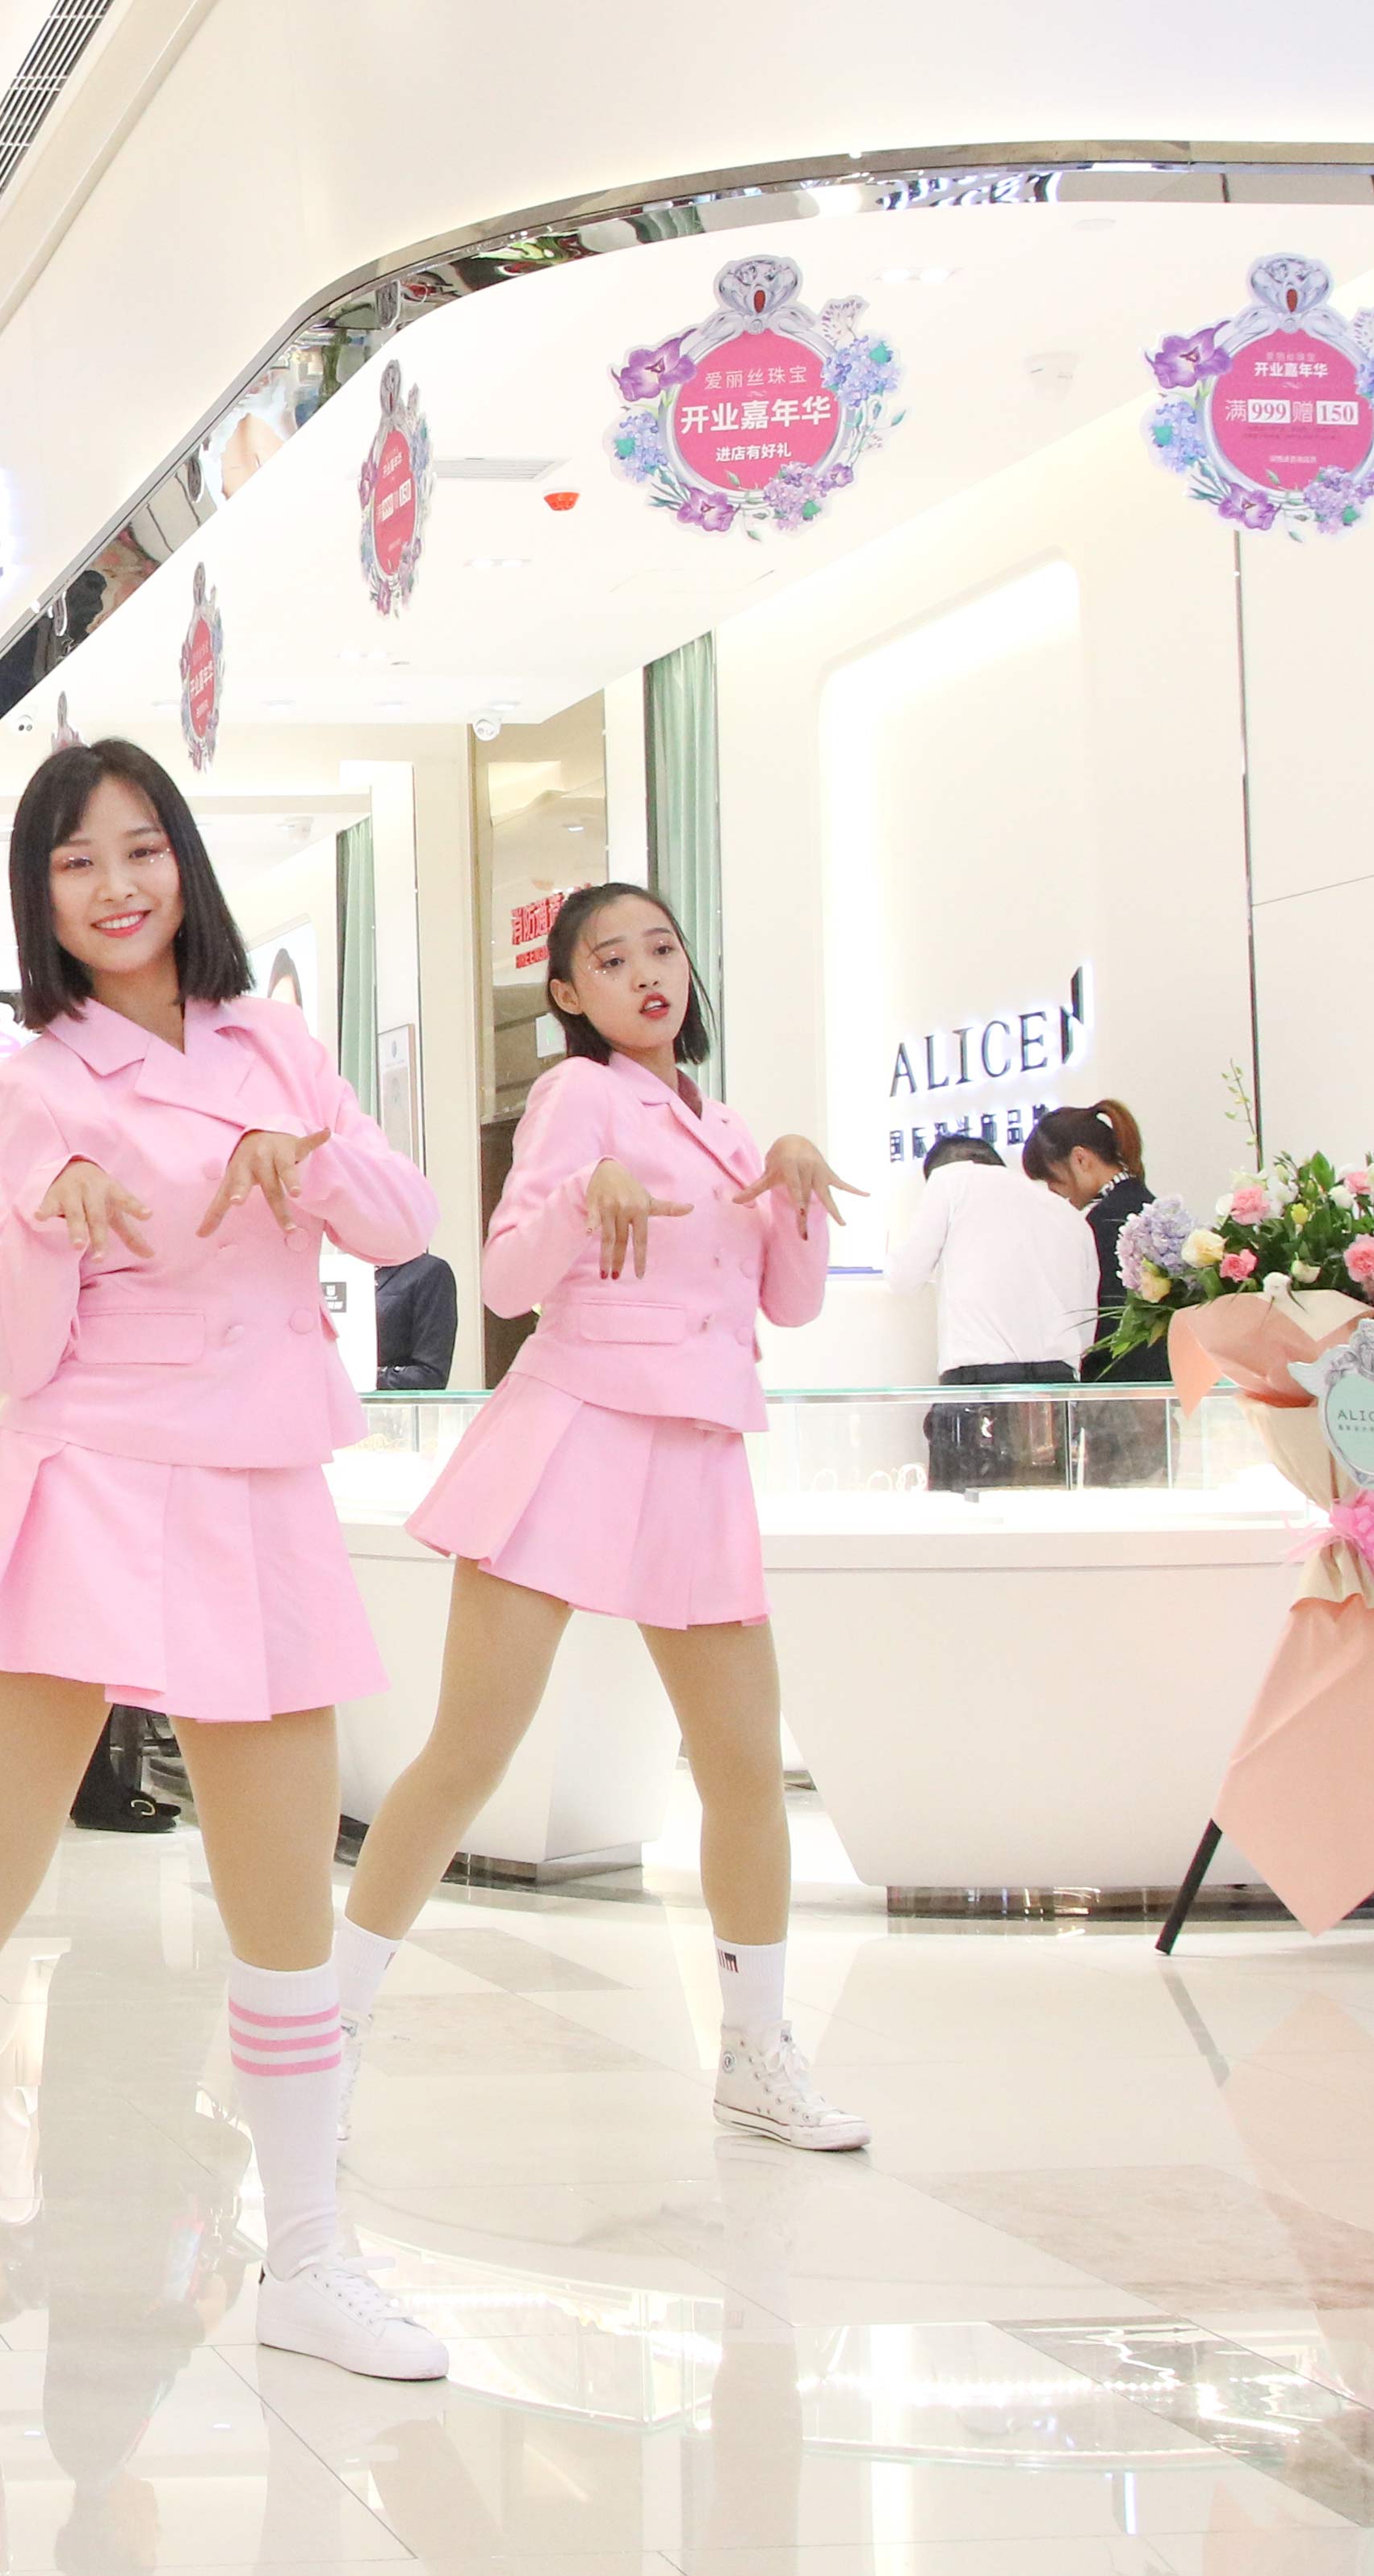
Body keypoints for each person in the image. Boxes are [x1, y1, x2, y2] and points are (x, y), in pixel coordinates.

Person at [0, 739, 446, 2393]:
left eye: (141, 849)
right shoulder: (34, 1076)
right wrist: (49, 1221)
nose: (117, 885)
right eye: (77, 861)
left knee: (281, 1901)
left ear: (183, 861)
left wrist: (307, 1159)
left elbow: (403, 1222)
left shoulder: (274, 1041)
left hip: (254, 1486)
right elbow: (10, 1350)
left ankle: (310, 2255)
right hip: (84, 1480)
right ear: (39, 897)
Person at [347, 879, 868, 2150]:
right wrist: (585, 1192)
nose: (647, 973)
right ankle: (326, 2024)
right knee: (469, 1748)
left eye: (662, 948)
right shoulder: (576, 1095)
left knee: (741, 1766)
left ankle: (754, 2050)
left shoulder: (725, 1126)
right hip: (573, 1429)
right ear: (566, 991)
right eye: (612, 957)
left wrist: (794, 1189)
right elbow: (505, 1278)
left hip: (695, 1452)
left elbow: (789, 1305)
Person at [886, 1131, 1100, 1487]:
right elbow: (1086, 1325)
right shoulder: (1067, 1212)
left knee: (969, 1515)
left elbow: (903, 1277)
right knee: (1045, 1511)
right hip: (1055, 1393)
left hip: (977, 1389)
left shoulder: (950, 1180)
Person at [1026, 1105, 1169, 1483]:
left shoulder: (1099, 1223)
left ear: (1080, 1159)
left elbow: (1093, 1321)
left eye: (1052, 1178)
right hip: (1162, 1396)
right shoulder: (1152, 1209)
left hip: (1118, 1399)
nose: (1054, 1192)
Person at [371, 1252, 457, 1391]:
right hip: (338, 1396)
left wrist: (364, 1376)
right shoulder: (341, 1268)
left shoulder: (429, 1271)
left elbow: (431, 1376)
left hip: (390, 1399)